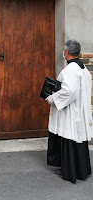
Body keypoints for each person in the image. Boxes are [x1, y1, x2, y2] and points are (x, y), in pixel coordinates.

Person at [46, 40, 93, 183]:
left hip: (71, 112)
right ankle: (81, 170)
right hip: (80, 110)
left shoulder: (70, 69)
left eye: (63, 50)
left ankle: (70, 172)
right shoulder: (83, 68)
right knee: (78, 140)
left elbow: (69, 91)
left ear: (66, 52)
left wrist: (52, 98)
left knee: (70, 138)